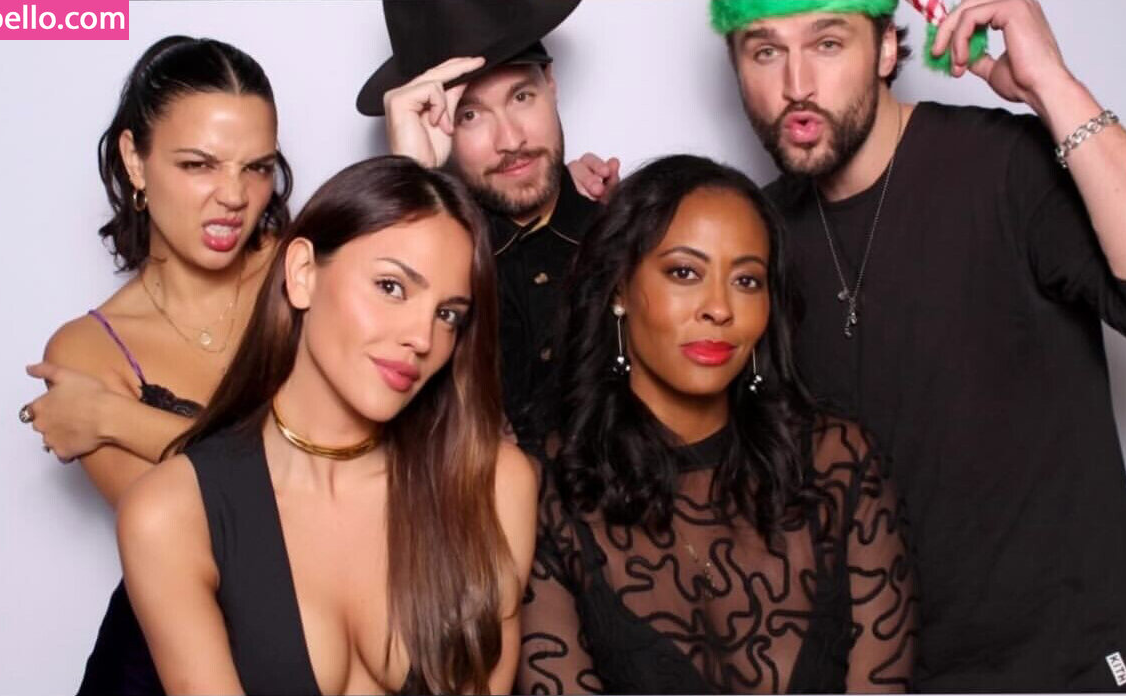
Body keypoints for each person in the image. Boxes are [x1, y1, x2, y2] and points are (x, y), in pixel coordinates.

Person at [706, 0, 1126, 690]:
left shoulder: (1003, 163)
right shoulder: (756, 237)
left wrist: (1053, 85)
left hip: (1067, 666)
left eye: (826, 43)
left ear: (884, 49)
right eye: (764, 51)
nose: (795, 85)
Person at [117, 155, 537, 695]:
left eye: (448, 314)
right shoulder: (172, 513)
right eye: (391, 287)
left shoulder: (492, 484)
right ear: (302, 274)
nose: (421, 338)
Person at [517, 155, 917, 693]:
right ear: (618, 288)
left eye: (747, 280)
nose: (720, 308)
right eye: (685, 272)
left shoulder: (837, 464)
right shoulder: (544, 489)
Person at [17, 36, 293, 694]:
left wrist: (117, 417)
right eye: (199, 165)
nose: (234, 195)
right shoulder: (86, 352)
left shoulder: (307, 274)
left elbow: (360, 482)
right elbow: (224, 541)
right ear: (134, 161)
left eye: (257, 168)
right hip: (159, 667)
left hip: (328, 651)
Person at [357, 0, 607, 447]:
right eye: (469, 115)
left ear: (550, 83)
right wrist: (410, 176)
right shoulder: (424, 262)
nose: (510, 141)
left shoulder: (628, 239)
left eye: (521, 97)